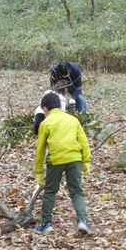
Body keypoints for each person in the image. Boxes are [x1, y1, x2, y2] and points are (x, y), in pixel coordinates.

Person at [33, 92, 92, 236]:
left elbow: (40, 149)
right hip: (75, 158)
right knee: (76, 191)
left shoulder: (45, 123)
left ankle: (46, 224)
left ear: (45, 109)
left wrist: (39, 171)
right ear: (60, 106)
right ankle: (82, 221)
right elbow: (83, 141)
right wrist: (86, 160)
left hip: (56, 160)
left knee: (50, 192)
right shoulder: (73, 120)